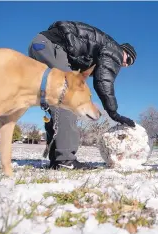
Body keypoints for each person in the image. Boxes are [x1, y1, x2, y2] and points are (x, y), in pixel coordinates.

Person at [28, 21, 137, 170]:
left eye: (129, 64)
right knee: (69, 102)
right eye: (128, 60)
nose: (125, 65)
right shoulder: (114, 51)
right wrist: (114, 113)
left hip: (41, 44)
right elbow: (104, 82)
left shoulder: (102, 48)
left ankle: (57, 159)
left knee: (55, 102)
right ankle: (65, 160)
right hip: (51, 46)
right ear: (124, 51)